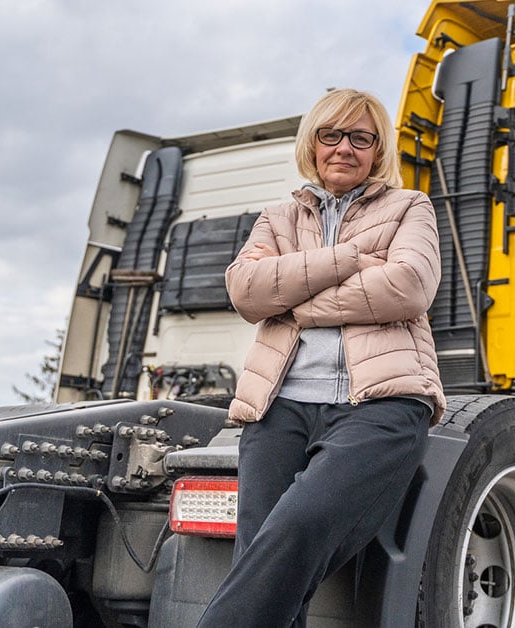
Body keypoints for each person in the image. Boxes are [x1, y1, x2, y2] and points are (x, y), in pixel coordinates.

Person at [196, 88, 445, 628]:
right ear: (312, 142)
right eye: (331, 135)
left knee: (297, 531)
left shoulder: (410, 206)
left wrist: (297, 302)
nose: (344, 148)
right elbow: (245, 291)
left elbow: (407, 287)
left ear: (378, 150)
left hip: (381, 405)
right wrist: (349, 258)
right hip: (278, 406)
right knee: (269, 569)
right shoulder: (278, 215)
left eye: (361, 137)